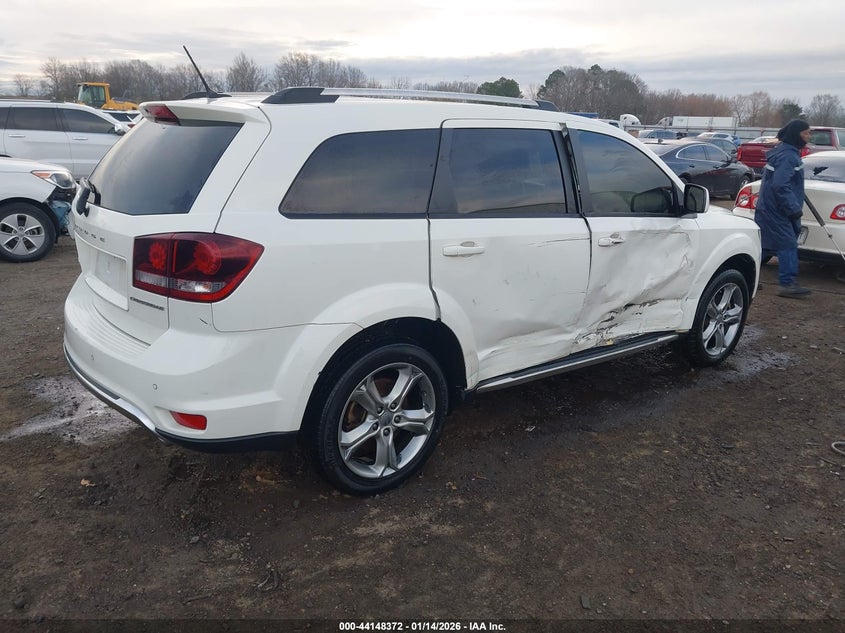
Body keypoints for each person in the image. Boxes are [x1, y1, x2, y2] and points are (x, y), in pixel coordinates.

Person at [755, 119, 812, 298]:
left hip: (770, 207)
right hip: (778, 210)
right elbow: (780, 185)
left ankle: (749, 277)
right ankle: (787, 284)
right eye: (806, 133)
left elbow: (783, 181)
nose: (808, 137)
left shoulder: (784, 152)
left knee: (764, 245)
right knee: (787, 244)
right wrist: (793, 208)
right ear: (796, 134)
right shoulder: (788, 156)